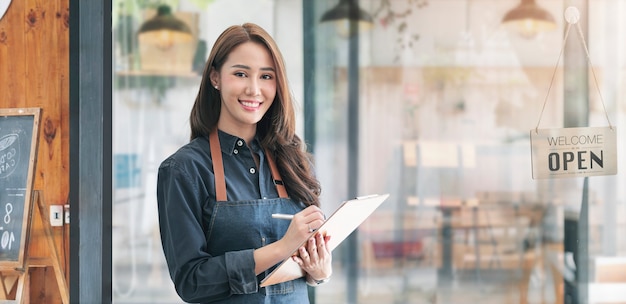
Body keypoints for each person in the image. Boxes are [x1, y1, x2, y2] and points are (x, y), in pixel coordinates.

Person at [156, 23, 332, 303]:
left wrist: (318, 271)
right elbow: (191, 281)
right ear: (216, 78)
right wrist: (281, 248)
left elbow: (308, 263)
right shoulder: (184, 170)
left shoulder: (295, 162)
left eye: (266, 76)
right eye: (240, 74)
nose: (254, 89)